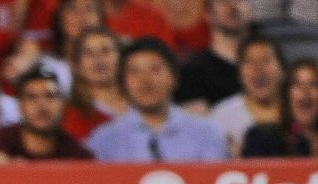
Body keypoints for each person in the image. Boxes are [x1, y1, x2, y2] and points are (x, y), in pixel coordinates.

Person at [88, 37, 228, 162]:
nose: (145, 80)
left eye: (155, 70)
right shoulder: (104, 140)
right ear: (123, 83)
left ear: (174, 78)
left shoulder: (207, 133)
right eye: (134, 72)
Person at [0, 67, 93, 162]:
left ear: (63, 105)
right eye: (32, 97)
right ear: (20, 106)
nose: (41, 105)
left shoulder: (77, 156)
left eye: (50, 96)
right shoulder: (0, 142)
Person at [3, 0, 105, 97]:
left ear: (100, 17)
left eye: (89, 8)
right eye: (73, 8)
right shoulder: (45, 62)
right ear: (60, 17)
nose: (82, 16)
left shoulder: (114, 57)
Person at [209, 36, 285, 157]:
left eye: (265, 60)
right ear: (239, 73)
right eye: (250, 61)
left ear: (282, 69)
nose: (258, 68)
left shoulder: (298, 111)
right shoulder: (221, 117)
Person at [175, 0, 253, 114]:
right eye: (223, 2)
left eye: (238, 0)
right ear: (207, 14)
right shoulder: (191, 72)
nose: (232, 5)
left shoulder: (271, 64)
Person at [242, 58, 318, 158]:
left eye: (313, 84)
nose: (305, 92)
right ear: (286, 95)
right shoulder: (263, 139)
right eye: (297, 85)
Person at [63, 27, 126, 140]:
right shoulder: (70, 117)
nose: (98, 60)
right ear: (77, 65)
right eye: (89, 53)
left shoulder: (144, 105)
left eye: (105, 51)